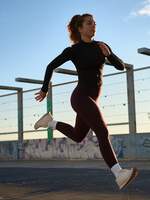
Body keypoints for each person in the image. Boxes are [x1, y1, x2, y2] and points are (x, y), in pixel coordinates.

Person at [34, 13, 137, 190]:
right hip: (81, 97)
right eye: (89, 23)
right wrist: (45, 89)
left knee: (77, 135)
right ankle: (119, 174)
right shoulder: (74, 50)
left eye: (95, 23)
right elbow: (50, 66)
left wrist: (109, 54)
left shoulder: (101, 46)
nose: (93, 25)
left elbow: (121, 66)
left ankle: (49, 122)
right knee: (102, 131)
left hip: (92, 98)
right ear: (80, 28)